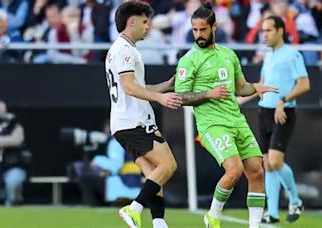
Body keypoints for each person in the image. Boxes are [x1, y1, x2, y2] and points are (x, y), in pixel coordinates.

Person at [175, 3, 278, 228]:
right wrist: (209, 94)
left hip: (236, 120)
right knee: (234, 170)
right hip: (212, 124)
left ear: (214, 27)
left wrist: (256, 87)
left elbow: (240, 88)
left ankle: (255, 226)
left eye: (203, 29)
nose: (198, 35)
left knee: (256, 171)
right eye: (195, 30)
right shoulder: (189, 60)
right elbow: (181, 97)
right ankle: (213, 215)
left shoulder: (229, 55)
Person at [105, 1, 182, 228]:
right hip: (135, 121)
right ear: (132, 21)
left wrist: (166, 86)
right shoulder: (125, 50)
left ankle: (159, 223)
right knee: (168, 166)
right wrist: (161, 98)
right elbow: (129, 87)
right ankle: (134, 208)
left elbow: (138, 87)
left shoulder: (119, 49)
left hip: (122, 124)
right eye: (145, 21)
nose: (148, 26)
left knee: (154, 174)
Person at [254, 15, 310, 223]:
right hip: (264, 111)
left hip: (283, 111)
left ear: (280, 31)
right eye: (262, 31)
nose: (264, 35)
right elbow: (262, 83)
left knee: (276, 161)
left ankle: (295, 200)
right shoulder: (268, 56)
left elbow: (304, 85)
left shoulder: (292, 54)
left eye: (268, 30)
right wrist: (239, 99)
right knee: (267, 164)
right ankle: (273, 213)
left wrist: (283, 100)